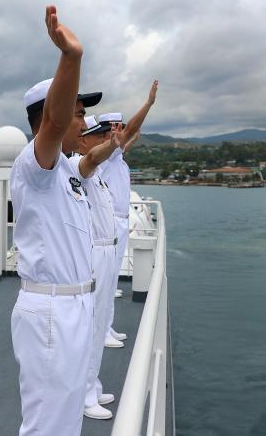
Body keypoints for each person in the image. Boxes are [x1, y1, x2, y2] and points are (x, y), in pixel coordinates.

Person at [9, 7, 102, 436]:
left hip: (76, 306)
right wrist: (72, 58)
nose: (84, 122)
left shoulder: (67, 168)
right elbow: (56, 120)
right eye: (79, 112)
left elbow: (89, 149)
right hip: (51, 312)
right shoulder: (36, 166)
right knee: (47, 424)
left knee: (66, 418)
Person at [98, 79, 159, 347]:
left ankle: (106, 327)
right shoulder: (108, 154)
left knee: (111, 281)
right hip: (111, 223)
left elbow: (130, 139)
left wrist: (133, 138)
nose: (122, 132)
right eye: (118, 128)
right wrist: (148, 104)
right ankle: (100, 331)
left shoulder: (117, 156)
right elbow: (131, 130)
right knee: (105, 281)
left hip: (120, 224)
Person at [74, 117, 124, 420]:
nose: (105, 139)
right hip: (94, 255)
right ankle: (84, 394)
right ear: (85, 140)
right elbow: (93, 158)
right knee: (91, 328)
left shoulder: (99, 175)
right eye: (100, 136)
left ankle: (92, 385)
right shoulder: (83, 168)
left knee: (101, 320)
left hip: (107, 251)